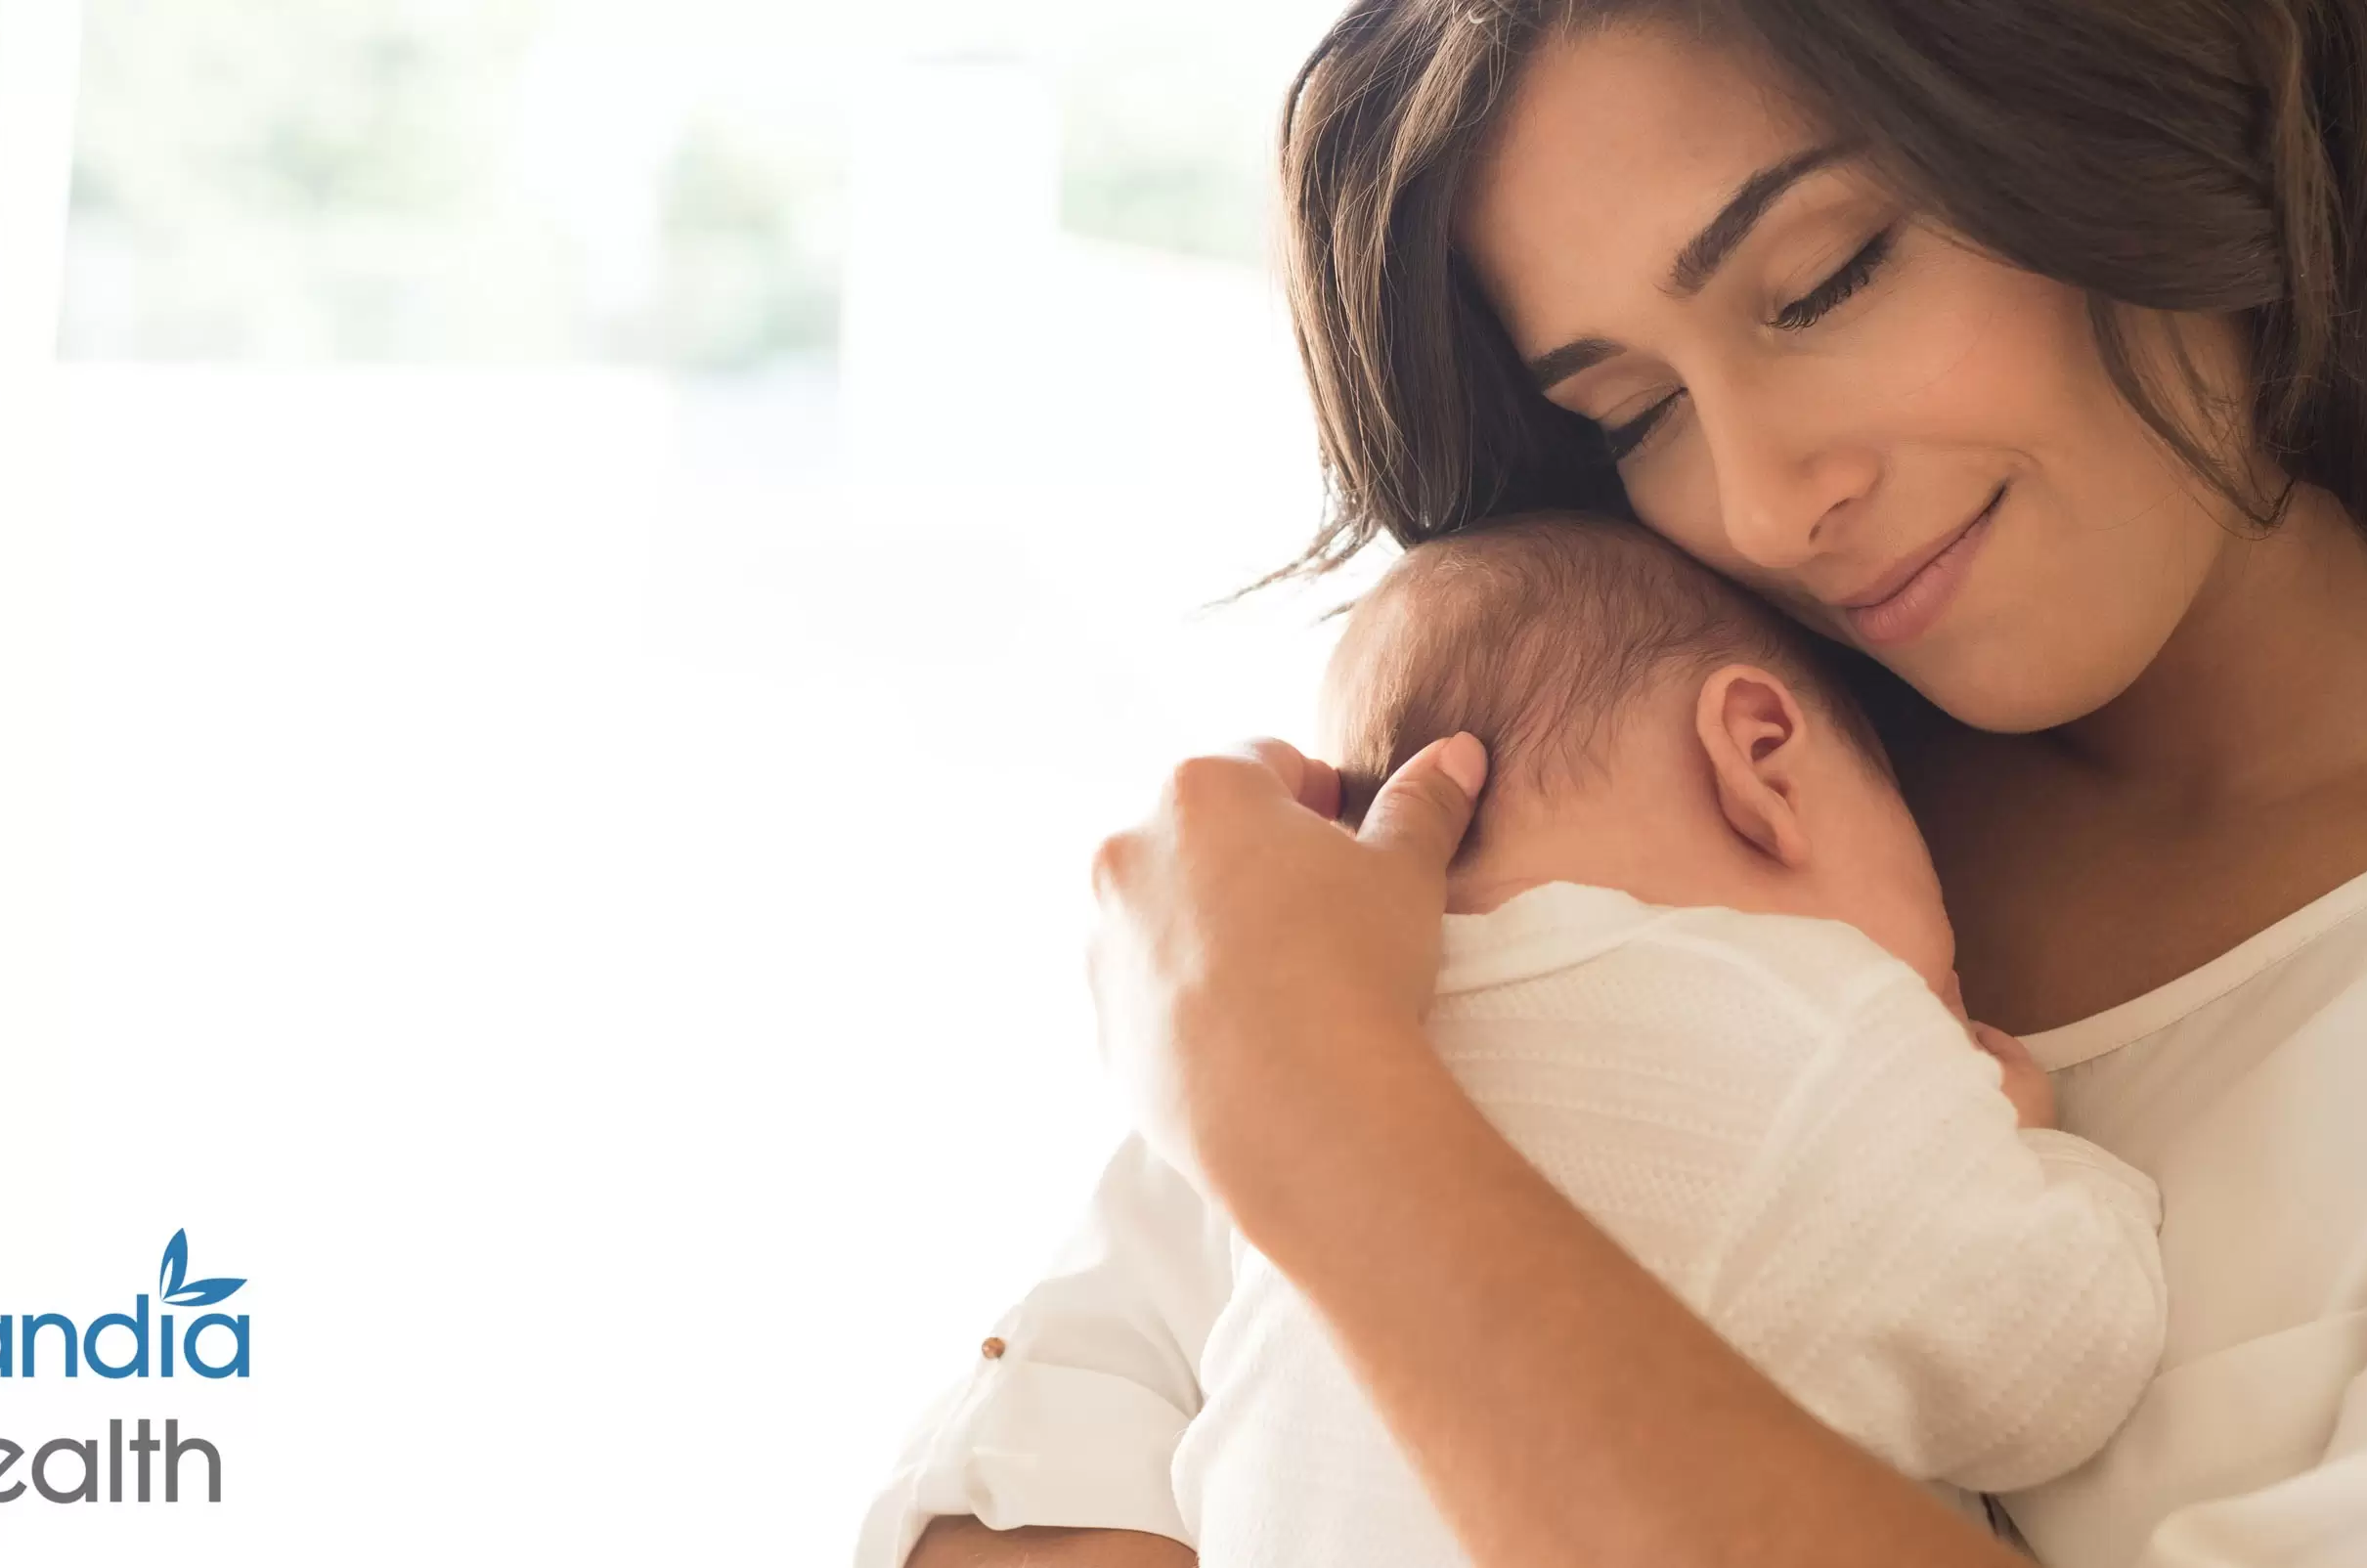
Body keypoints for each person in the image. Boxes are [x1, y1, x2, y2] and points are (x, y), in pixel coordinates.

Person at [901, 0, 2367, 1563]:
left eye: (1822, 281)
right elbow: (1016, 1499)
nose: (1759, 499)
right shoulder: (1645, 816)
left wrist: (1319, 1117)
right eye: (1628, 415)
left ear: (2144, 111)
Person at [861, 513, 2168, 1567]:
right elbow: (2057, 1367)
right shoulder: (1814, 1022)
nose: (1943, 971)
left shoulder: (1272, 1077)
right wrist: (2034, 1154)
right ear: (1763, 758)